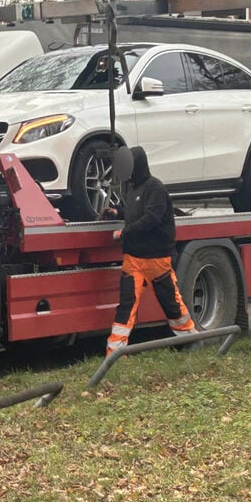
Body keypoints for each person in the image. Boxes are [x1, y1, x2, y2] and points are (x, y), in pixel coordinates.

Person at [104, 146, 195, 356]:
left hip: (157, 259)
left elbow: (151, 218)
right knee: (126, 306)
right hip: (133, 259)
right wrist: (117, 211)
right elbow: (135, 211)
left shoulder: (155, 187)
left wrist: (125, 232)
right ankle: (114, 354)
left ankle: (190, 339)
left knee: (171, 304)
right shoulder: (131, 187)